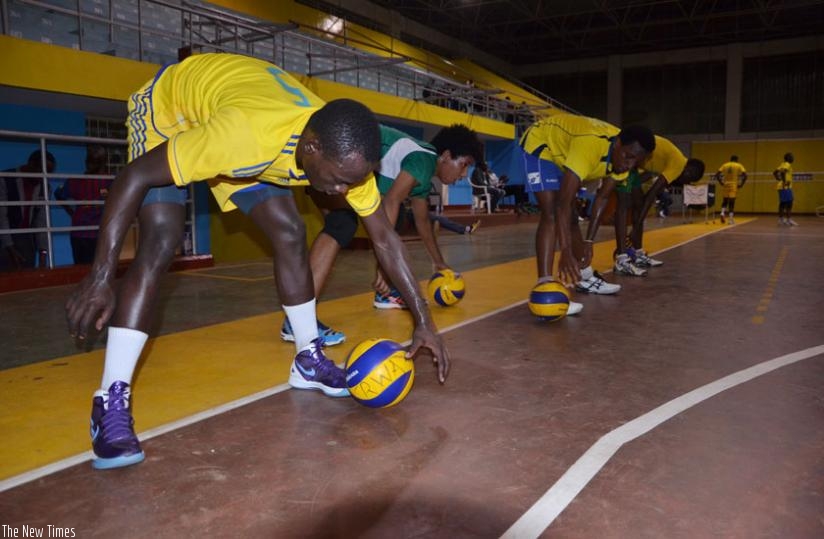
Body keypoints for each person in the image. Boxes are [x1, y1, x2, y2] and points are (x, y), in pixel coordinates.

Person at [65, 53, 450, 470]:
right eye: (339, 179)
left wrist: (424, 321)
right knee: (161, 239)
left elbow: (385, 239)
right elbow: (133, 177)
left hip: (242, 114)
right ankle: (110, 402)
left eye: (352, 182)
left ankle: (308, 360)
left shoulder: (347, 161)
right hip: (170, 108)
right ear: (312, 147)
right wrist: (100, 274)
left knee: (289, 230)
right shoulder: (244, 137)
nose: (343, 190)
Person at [284, 123, 482, 345]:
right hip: (327, 157)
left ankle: (385, 294)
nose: (464, 174)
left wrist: (439, 263)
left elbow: (422, 220)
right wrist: (384, 265)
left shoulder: (423, 174)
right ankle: (298, 321)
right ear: (445, 156)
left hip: (330, 156)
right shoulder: (425, 158)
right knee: (342, 223)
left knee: (385, 219)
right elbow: (392, 199)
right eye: (464, 165)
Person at [519, 113, 654, 307]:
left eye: (636, 162)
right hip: (541, 143)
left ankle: (584, 276)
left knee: (572, 218)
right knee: (551, 213)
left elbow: (603, 198)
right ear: (617, 145)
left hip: (566, 152)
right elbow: (562, 204)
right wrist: (565, 251)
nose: (629, 165)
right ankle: (545, 287)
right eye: (628, 157)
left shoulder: (623, 161)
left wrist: (589, 241)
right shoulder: (590, 146)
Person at [589, 136, 704, 274]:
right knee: (624, 204)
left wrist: (635, 228)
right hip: (627, 158)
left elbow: (649, 177)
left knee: (638, 204)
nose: (685, 182)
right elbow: (652, 194)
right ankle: (621, 259)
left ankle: (637, 253)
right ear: (689, 170)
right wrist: (634, 230)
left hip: (635, 166)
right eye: (688, 179)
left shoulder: (675, 161)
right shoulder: (678, 165)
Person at [55, 145, 111, 264]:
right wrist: (71, 212)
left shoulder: (110, 181)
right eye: (89, 161)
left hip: (100, 234)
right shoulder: (76, 181)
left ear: (102, 163)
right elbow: (58, 194)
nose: (90, 164)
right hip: (80, 234)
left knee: (98, 269)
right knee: (82, 270)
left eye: (95, 161)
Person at [0, 150, 55, 271]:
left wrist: (43, 252)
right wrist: (9, 247)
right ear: (31, 164)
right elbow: (1, 216)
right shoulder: (5, 179)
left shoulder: (44, 187)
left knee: (26, 275)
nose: (44, 175)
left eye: (48, 172)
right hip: (4, 236)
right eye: (42, 170)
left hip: (26, 238)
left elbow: (42, 220)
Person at [714, 155, 747, 225]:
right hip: (733, 185)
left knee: (725, 200)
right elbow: (745, 175)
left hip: (726, 184)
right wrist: (741, 184)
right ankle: (730, 219)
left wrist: (721, 182)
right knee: (732, 202)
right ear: (736, 160)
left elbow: (717, 174)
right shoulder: (738, 165)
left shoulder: (725, 165)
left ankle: (722, 212)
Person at [774, 152, 798, 226]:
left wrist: (778, 179)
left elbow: (774, 172)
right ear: (788, 158)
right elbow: (783, 172)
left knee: (783, 203)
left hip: (781, 186)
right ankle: (788, 220)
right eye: (791, 157)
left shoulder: (782, 164)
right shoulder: (787, 164)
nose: (793, 158)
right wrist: (784, 181)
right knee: (789, 203)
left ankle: (781, 220)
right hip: (785, 186)